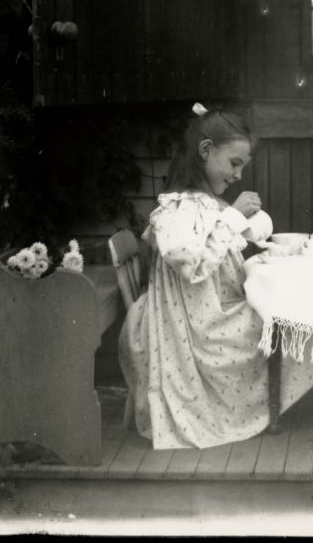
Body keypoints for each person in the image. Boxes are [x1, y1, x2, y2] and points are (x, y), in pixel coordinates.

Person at [118, 105, 274, 449]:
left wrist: (241, 228)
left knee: (277, 309)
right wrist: (232, 218)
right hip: (189, 323)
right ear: (206, 151)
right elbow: (190, 263)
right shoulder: (179, 208)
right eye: (235, 163)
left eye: (242, 167)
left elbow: (220, 252)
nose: (238, 176)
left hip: (206, 308)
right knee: (278, 319)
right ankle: (267, 409)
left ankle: (275, 404)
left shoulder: (207, 204)